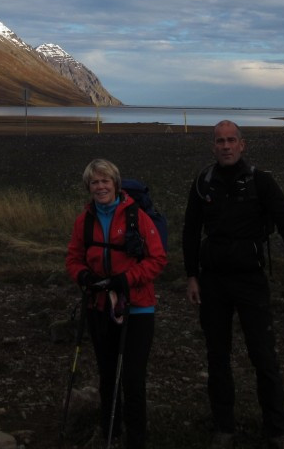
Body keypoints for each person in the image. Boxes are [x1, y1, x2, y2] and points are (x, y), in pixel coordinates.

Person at [182, 121, 284, 449]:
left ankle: (277, 429)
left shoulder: (262, 181)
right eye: (220, 141)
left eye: (231, 140)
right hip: (213, 280)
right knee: (217, 355)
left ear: (242, 144)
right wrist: (191, 275)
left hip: (250, 280)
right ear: (213, 146)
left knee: (263, 355)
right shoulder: (203, 183)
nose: (226, 146)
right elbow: (190, 230)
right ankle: (223, 427)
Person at [66, 158, 167, 449]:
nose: (100, 187)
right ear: (88, 187)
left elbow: (158, 259)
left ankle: (136, 439)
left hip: (137, 307)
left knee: (133, 378)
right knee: (107, 373)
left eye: (105, 181)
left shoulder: (138, 217)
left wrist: (126, 279)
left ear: (115, 184)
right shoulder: (84, 221)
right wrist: (83, 275)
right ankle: (109, 430)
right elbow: (73, 258)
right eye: (94, 182)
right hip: (98, 306)